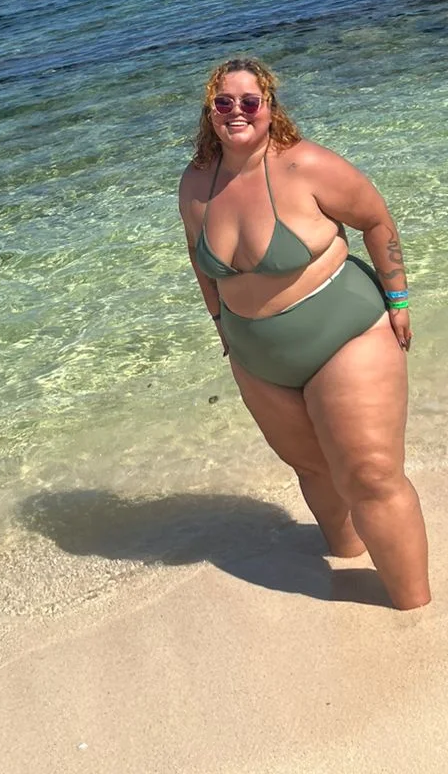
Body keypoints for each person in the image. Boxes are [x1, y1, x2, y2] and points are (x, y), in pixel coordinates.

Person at [178, 56, 431, 609]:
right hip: (256, 354)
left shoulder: (306, 165)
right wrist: (220, 324)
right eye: (224, 102)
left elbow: (376, 220)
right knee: (313, 468)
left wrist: (399, 299)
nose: (237, 111)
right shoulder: (196, 183)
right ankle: (347, 560)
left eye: (250, 101)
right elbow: (200, 260)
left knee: (370, 475)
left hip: (345, 334)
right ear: (209, 111)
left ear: (270, 107)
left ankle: (416, 616)